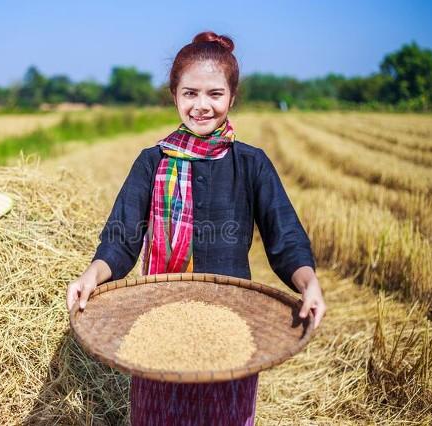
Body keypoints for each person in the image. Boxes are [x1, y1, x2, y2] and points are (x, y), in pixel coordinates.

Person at [67, 31, 326, 426]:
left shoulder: (251, 164)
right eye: (190, 93)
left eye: (214, 94)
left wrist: (308, 283)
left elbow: (285, 238)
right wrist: (92, 274)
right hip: (161, 320)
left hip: (231, 327)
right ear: (174, 95)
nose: (201, 106)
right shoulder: (151, 161)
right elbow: (121, 239)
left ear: (232, 98)